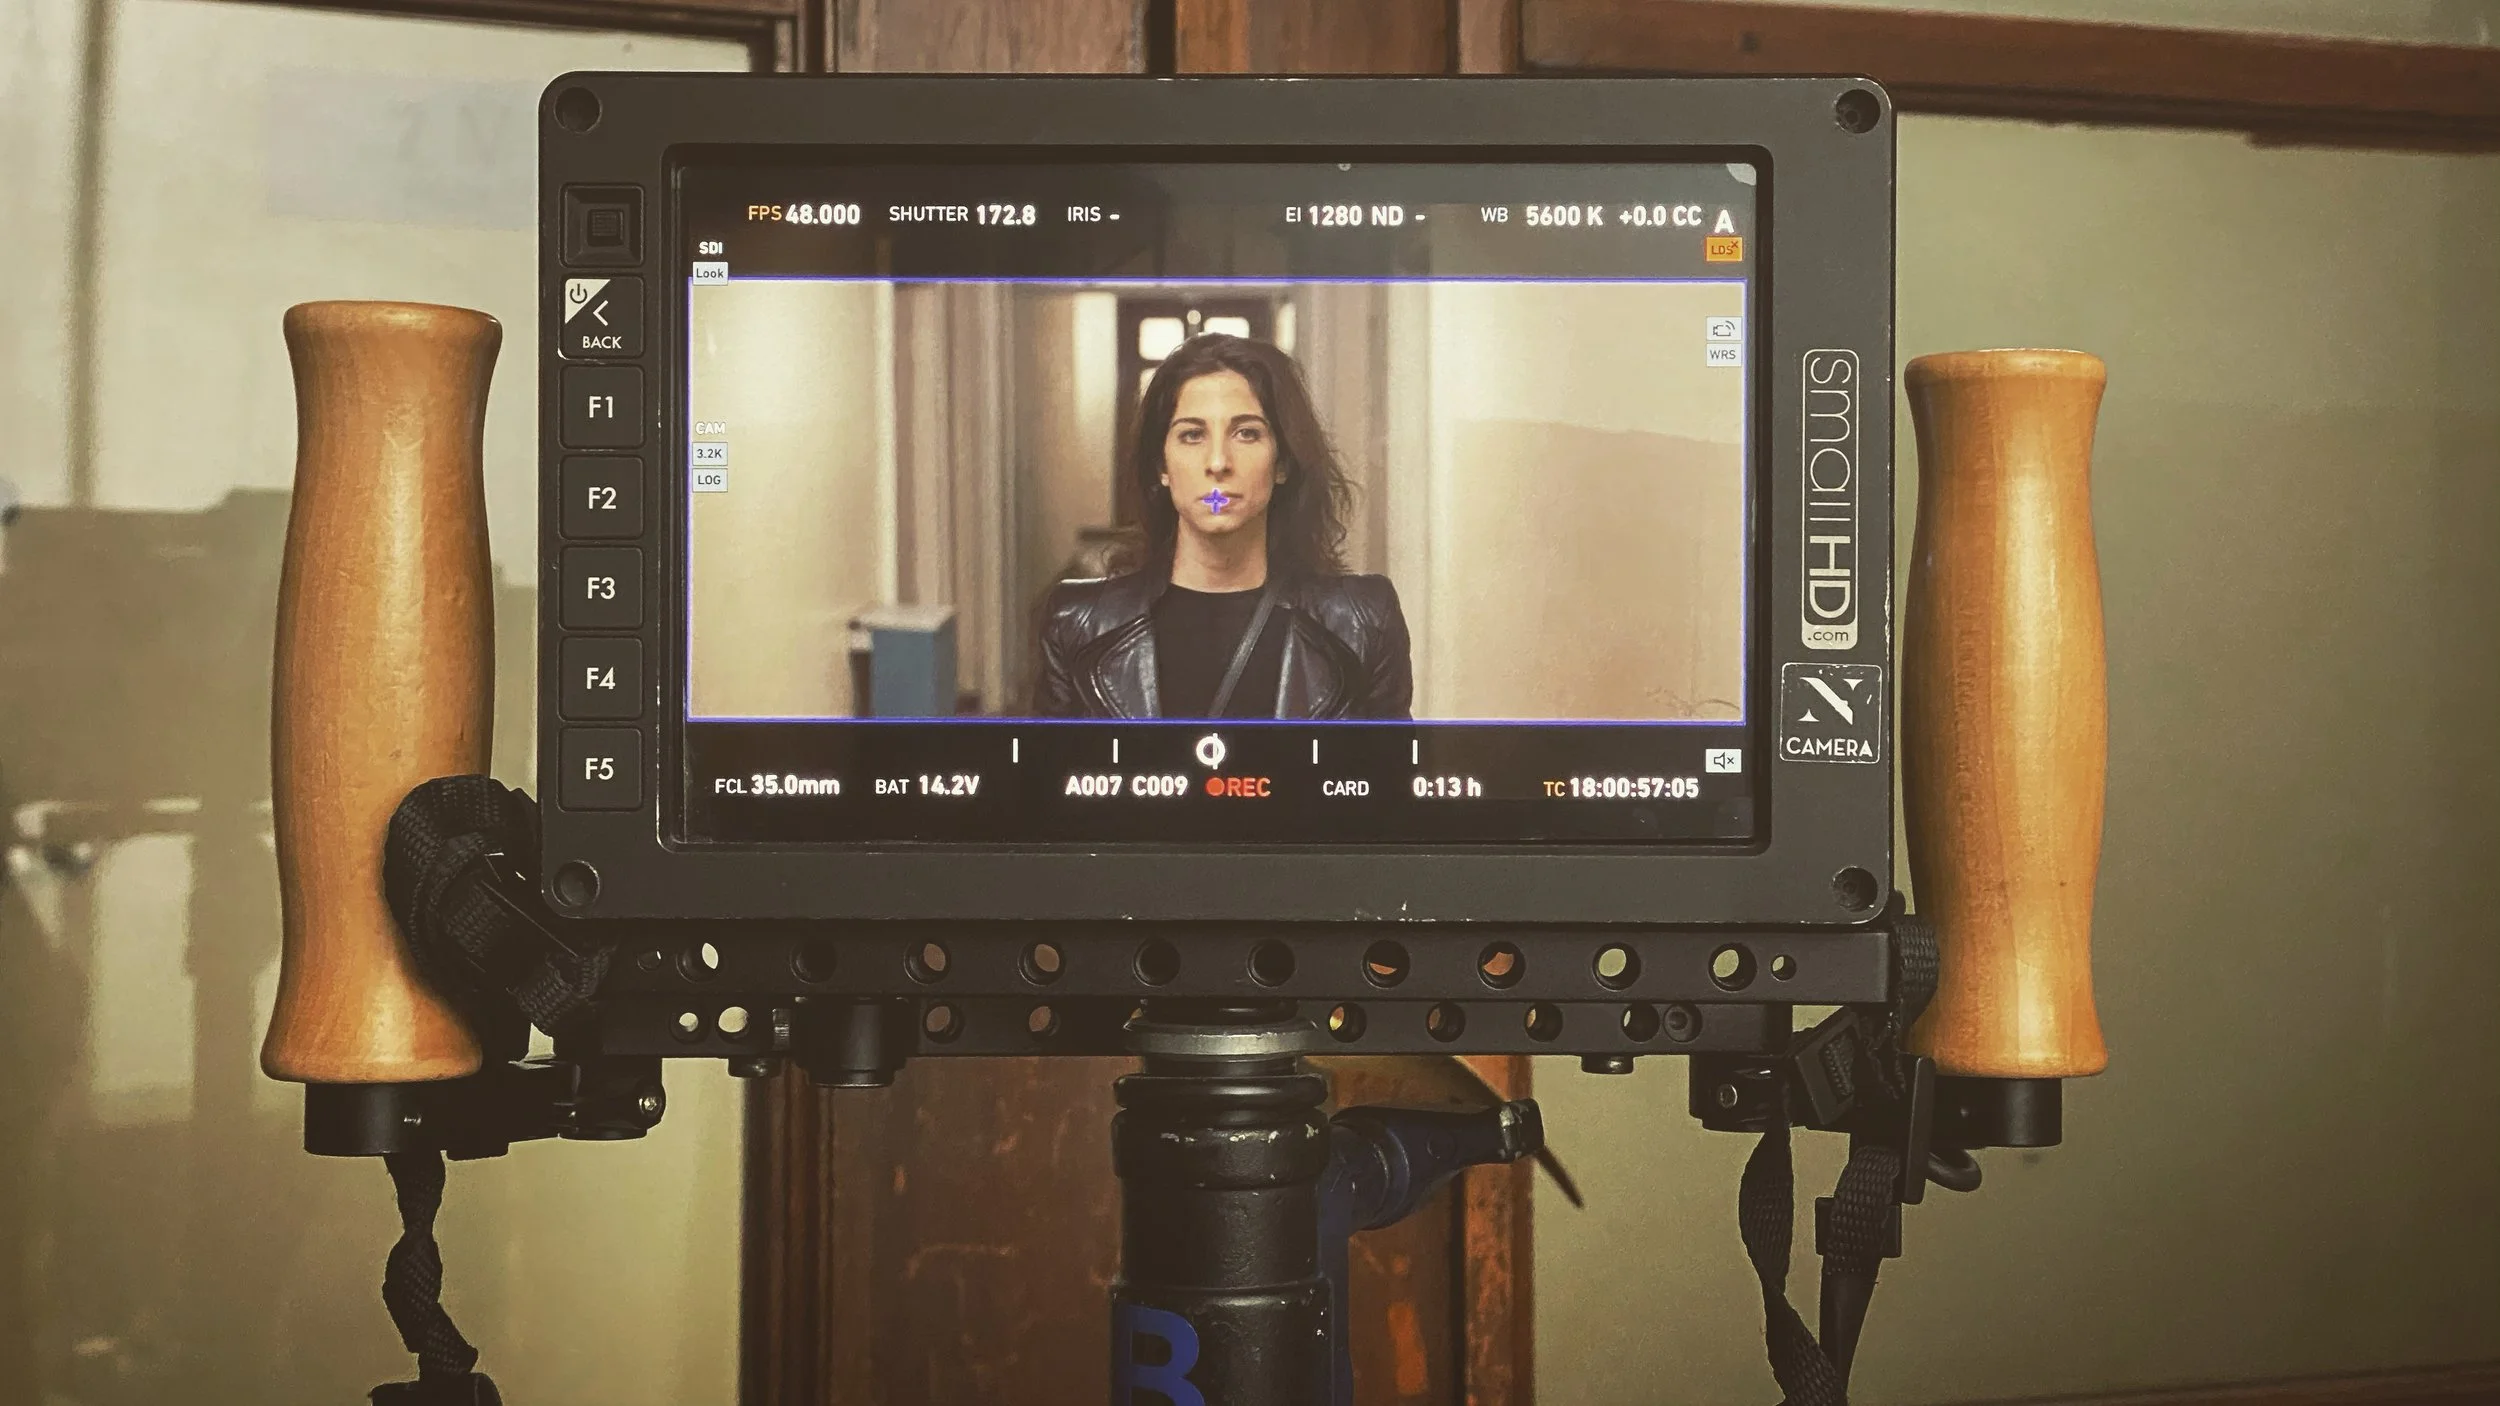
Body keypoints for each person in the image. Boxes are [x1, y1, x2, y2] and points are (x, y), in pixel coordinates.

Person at [1035, 333, 1412, 720]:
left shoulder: (1363, 623)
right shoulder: (1078, 624)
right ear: (1162, 466)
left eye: (1247, 433)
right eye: (1192, 435)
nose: (1217, 463)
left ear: (1282, 463)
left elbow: (1390, 760)